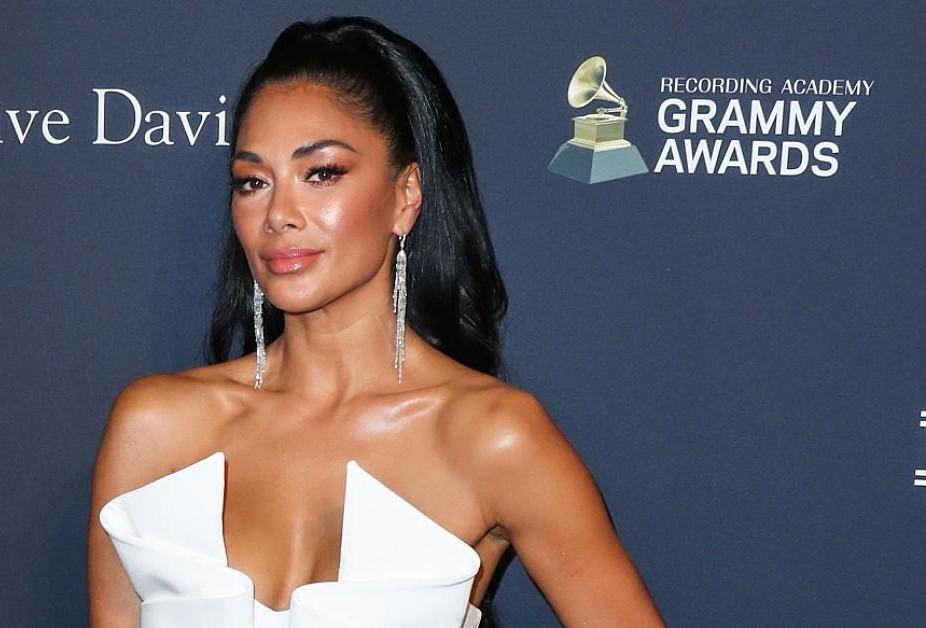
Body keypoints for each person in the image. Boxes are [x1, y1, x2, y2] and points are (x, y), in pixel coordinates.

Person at [88, 15, 663, 628]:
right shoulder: (156, 429)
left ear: (405, 195)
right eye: (253, 182)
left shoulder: (493, 440)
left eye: (322, 173)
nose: (280, 213)